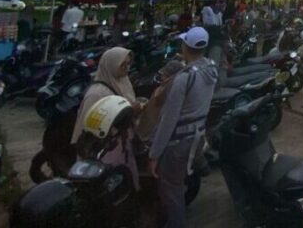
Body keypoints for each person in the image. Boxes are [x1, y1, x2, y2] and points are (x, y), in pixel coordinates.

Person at [149, 27, 218, 228]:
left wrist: (154, 155)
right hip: (197, 134)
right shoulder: (211, 70)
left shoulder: (185, 78)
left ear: (185, 47)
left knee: (171, 190)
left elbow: (168, 120)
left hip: (178, 142)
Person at [71, 47, 141, 186]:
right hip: (104, 150)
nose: (127, 68)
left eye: (128, 64)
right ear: (111, 66)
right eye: (123, 65)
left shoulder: (123, 82)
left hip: (122, 145)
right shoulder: (97, 94)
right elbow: (90, 128)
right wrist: (129, 112)